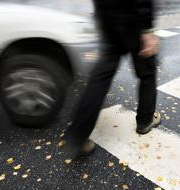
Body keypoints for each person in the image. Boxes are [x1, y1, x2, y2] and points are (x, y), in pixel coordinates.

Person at [62, 0, 160, 156]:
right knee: (147, 71)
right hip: (132, 15)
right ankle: (145, 120)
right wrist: (147, 28)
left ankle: (79, 133)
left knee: (101, 76)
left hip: (106, 14)